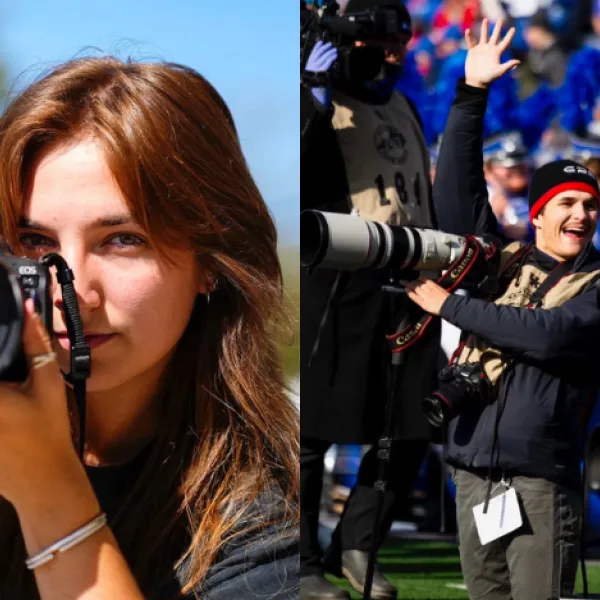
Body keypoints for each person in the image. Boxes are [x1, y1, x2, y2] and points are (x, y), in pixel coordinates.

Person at [0, 56, 300, 599]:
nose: (76, 293)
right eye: (35, 243)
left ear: (212, 262)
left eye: (122, 240)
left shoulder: (271, 529)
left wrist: (48, 490)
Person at [405, 18, 600, 600]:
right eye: (566, 203)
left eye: (590, 206)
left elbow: (547, 335)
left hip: (541, 480)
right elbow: (459, 201)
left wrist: (450, 307)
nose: (582, 216)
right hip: (473, 473)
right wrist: (471, 95)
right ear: (538, 213)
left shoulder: (595, 283)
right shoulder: (505, 262)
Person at [301, 1, 439, 599]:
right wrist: (308, 101)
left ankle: (358, 544)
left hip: (411, 285)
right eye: (381, 42)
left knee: (409, 428)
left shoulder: (404, 105)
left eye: (399, 42)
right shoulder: (319, 106)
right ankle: (302, 559)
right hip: (340, 286)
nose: (393, 55)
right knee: (316, 434)